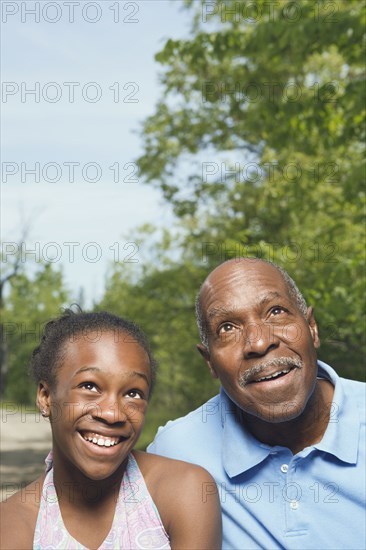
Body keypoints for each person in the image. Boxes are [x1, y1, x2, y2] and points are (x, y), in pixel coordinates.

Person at [148, 258, 365, 549]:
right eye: (227, 328)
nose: (259, 343)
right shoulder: (176, 453)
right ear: (210, 361)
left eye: (276, 312)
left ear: (312, 328)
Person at [0, 310, 221, 550]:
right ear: (46, 397)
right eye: (90, 386)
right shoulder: (12, 525)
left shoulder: (187, 491)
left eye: (133, 393)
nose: (112, 413)